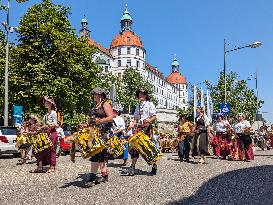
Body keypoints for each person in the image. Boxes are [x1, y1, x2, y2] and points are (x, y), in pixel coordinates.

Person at [84, 88, 113, 188]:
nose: (95, 96)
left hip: (103, 132)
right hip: (94, 132)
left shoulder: (105, 104)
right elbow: (92, 120)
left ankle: (92, 177)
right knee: (100, 154)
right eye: (94, 94)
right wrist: (86, 125)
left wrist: (100, 121)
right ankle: (104, 174)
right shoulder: (94, 106)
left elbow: (110, 117)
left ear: (101, 95)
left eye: (97, 94)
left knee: (96, 153)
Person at [126, 88, 157, 176]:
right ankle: (132, 167)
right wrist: (132, 125)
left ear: (146, 95)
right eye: (139, 94)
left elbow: (154, 116)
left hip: (147, 128)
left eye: (142, 94)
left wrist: (148, 121)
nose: (141, 95)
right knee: (134, 147)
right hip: (139, 128)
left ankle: (154, 165)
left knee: (148, 148)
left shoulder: (150, 104)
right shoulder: (138, 106)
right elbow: (136, 119)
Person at [43, 96, 58, 173]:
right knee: (46, 149)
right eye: (45, 102)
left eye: (46, 102)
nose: (44, 103)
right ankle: (48, 164)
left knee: (52, 149)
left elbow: (56, 124)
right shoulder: (45, 115)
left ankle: (52, 166)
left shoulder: (53, 113)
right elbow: (44, 124)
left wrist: (48, 126)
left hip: (52, 132)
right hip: (46, 132)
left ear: (50, 104)